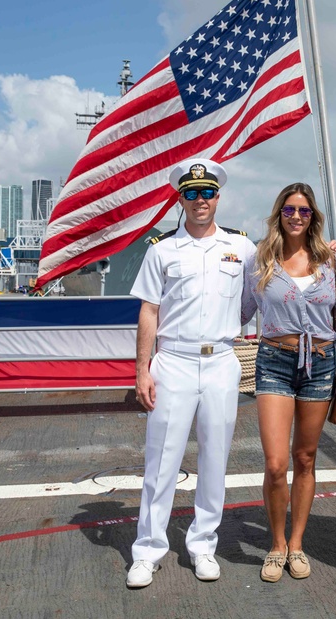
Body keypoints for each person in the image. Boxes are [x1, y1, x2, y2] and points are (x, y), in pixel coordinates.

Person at [126, 158, 256, 588]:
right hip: (174, 361)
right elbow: (149, 309)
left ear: (218, 197)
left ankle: (203, 545)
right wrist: (142, 369)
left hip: (220, 360)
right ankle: (148, 550)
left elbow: (260, 293)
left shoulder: (243, 248)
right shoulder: (162, 248)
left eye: (207, 193)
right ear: (180, 197)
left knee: (215, 459)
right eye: (191, 193)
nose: (200, 200)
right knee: (161, 461)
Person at [240, 182, 336, 583]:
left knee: (305, 458)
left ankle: (297, 544)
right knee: (276, 463)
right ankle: (276, 544)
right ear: (278, 214)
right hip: (274, 361)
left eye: (303, 210)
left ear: (312, 216)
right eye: (289, 210)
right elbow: (241, 309)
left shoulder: (331, 262)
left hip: (321, 361)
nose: (296, 216)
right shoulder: (261, 259)